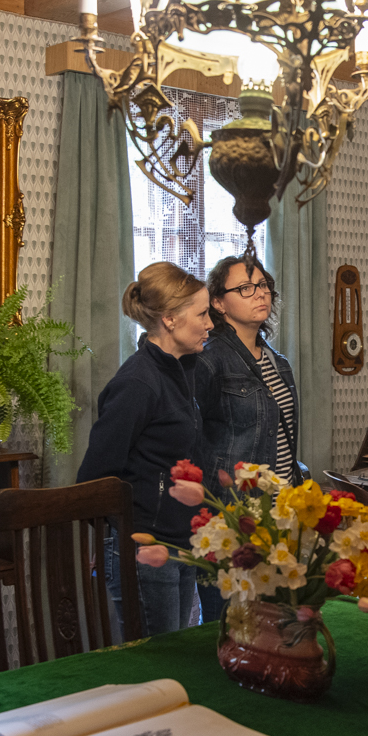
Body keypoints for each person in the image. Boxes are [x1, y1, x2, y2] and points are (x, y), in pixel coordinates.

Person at [78, 261, 212, 635]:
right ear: (169, 319)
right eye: (202, 314)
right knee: (157, 660)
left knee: (174, 655)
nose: (210, 324)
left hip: (179, 541)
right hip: (144, 546)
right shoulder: (138, 382)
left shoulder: (182, 370)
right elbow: (95, 476)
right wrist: (116, 539)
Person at [194, 256, 302, 624]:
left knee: (272, 622)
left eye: (264, 286)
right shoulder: (210, 359)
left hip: (280, 511)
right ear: (218, 303)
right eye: (245, 288)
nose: (260, 294)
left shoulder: (276, 361)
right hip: (234, 512)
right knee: (229, 622)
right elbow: (190, 435)